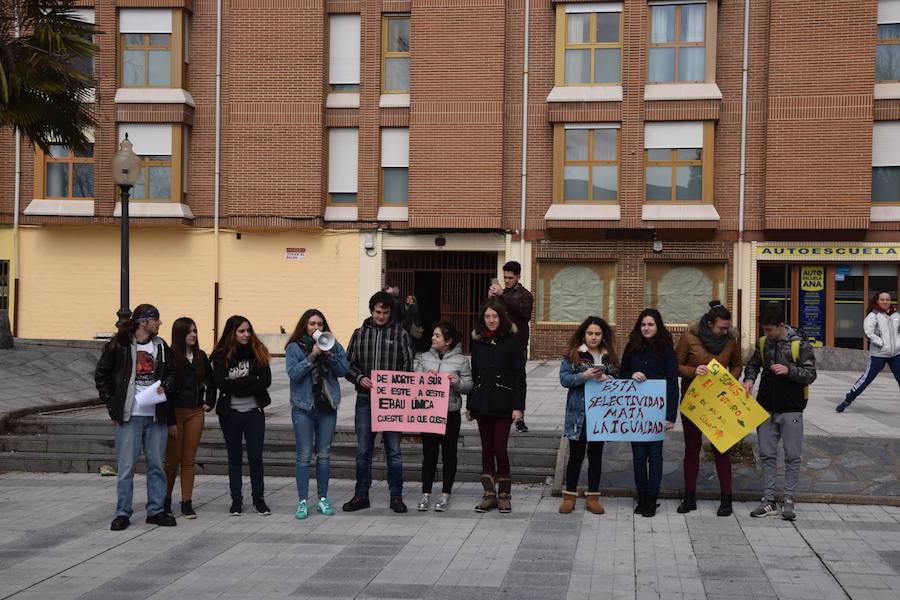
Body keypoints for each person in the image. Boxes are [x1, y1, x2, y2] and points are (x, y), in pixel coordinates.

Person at [95, 304, 177, 531]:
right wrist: (113, 406)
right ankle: (122, 512)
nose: (160, 323)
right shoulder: (120, 346)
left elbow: (172, 372)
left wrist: (168, 384)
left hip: (155, 415)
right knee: (126, 467)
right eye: (156, 319)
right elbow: (101, 375)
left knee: (156, 466)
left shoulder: (160, 346)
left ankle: (156, 510)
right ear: (144, 322)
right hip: (130, 415)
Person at [343, 291, 415, 513]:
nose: (381, 316)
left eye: (385, 312)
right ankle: (361, 495)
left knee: (393, 451)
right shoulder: (359, 334)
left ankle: (396, 496)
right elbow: (347, 365)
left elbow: (408, 366)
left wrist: (396, 389)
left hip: (391, 403)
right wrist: (359, 378)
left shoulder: (401, 334)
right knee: (364, 450)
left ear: (390, 312)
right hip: (365, 400)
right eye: (377, 312)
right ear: (371, 311)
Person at [743, 304, 816, 521]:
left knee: (792, 456)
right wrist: (748, 380)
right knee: (767, 454)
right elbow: (754, 364)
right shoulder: (764, 342)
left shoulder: (799, 344)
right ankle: (768, 500)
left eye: (770, 330)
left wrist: (788, 370)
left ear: (781, 325)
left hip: (792, 407)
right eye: (764, 330)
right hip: (765, 406)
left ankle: (789, 501)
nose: (766, 334)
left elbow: (811, 374)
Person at [675, 301, 743, 517]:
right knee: (692, 450)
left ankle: (726, 499)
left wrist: (729, 378)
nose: (725, 331)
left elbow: (738, 364)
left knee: (722, 450)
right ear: (710, 323)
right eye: (721, 328)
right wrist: (693, 371)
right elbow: (676, 366)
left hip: (720, 402)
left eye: (727, 328)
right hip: (694, 401)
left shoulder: (731, 340)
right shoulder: (689, 338)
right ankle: (689, 497)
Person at [285, 309, 350, 520]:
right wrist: (312, 356)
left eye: (320, 324)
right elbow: (293, 374)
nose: (317, 328)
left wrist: (329, 354)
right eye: (312, 324)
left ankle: (323, 498)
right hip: (303, 407)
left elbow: (344, 369)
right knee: (304, 455)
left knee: (324, 455)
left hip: (326, 407)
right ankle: (302, 501)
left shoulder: (332, 343)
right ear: (305, 325)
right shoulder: (294, 348)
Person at [211, 315, 273, 517]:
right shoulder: (221, 355)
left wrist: (240, 386)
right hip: (231, 413)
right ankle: (236, 500)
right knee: (234, 457)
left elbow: (265, 381)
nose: (246, 334)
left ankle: (259, 499)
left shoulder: (258, 351)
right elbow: (221, 383)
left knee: (256, 456)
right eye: (241, 331)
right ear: (232, 333)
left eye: (248, 330)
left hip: (254, 411)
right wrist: (249, 380)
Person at [619, 309, 678, 518]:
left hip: (657, 411)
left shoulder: (666, 349)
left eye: (650, 324)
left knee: (654, 456)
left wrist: (671, 415)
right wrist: (630, 375)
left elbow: (672, 383)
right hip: (636, 411)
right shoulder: (632, 347)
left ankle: (652, 498)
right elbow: (620, 373)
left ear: (658, 326)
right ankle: (641, 496)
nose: (646, 328)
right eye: (643, 324)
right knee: (638, 456)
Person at [468, 300, 526, 514]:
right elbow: (474, 375)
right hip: (482, 403)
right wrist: (470, 405)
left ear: (501, 317)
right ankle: (489, 494)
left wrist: (519, 407)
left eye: (494, 316)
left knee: (500, 448)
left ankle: (504, 494)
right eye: (487, 317)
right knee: (486, 448)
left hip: (504, 403)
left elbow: (520, 377)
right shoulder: (479, 342)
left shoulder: (512, 341)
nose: (491, 320)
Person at [558, 316, 619, 515]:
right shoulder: (573, 354)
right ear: (584, 334)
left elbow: (619, 381)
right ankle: (569, 496)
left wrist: (607, 378)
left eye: (597, 334)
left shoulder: (610, 356)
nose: (593, 337)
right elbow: (565, 379)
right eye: (590, 333)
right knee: (575, 455)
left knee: (596, 456)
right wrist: (584, 376)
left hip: (601, 414)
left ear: (603, 336)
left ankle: (593, 497)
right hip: (579, 414)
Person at [414, 321, 472, 512]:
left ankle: (446, 494)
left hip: (450, 412)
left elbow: (468, 385)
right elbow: (413, 379)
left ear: (448, 341)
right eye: (433, 335)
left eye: (437, 336)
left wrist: (456, 382)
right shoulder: (423, 357)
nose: (433, 338)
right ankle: (426, 493)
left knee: (449, 455)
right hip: (429, 412)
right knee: (428, 455)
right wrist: (424, 376)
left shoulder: (461, 360)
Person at [164, 317, 216, 520]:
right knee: (171, 461)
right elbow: (165, 390)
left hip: (195, 412)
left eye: (195, 330)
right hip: (176, 412)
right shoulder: (170, 357)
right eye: (188, 332)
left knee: (188, 460)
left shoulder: (201, 356)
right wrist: (170, 421)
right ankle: (165, 500)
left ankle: (187, 502)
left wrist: (209, 402)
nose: (193, 335)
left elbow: (212, 382)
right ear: (179, 335)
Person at [488, 260, 534, 432]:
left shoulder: (525, 294)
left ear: (518, 277)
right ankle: (501, 413)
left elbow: (525, 313)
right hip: (500, 343)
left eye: (510, 278)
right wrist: (492, 299)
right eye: (505, 277)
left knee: (518, 380)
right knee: (500, 378)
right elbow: (491, 313)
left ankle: (520, 417)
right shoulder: (502, 294)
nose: (506, 281)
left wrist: (503, 295)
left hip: (518, 344)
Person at [836, 291, 900, 413]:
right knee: (867, 379)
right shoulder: (873, 316)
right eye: (882, 299)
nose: (885, 302)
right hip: (879, 354)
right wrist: (882, 343)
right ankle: (848, 400)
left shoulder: (896, 315)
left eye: (887, 299)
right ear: (877, 301)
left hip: (896, 354)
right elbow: (868, 333)